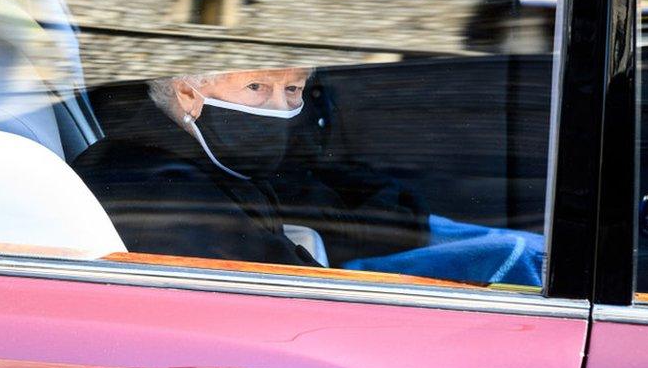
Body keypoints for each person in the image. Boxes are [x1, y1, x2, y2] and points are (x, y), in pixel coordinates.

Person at [72, 67, 430, 267]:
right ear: (187, 94)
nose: (278, 108)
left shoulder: (219, 160)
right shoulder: (166, 195)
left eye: (292, 89)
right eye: (255, 86)